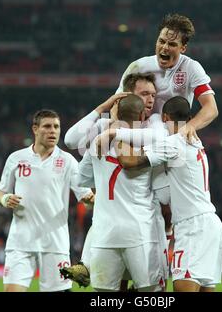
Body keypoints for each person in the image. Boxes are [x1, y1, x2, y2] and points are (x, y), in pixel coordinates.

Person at [62, 73, 171, 290]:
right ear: (125, 96)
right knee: (148, 290)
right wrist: (105, 110)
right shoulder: (121, 130)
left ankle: (85, 262)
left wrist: (113, 131)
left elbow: (81, 177)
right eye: (144, 94)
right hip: (140, 231)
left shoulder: (154, 122)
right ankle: (85, 263)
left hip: (120, 230)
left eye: (153, 95)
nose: (150, 100)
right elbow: (70, 140)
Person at [116, 96, 222, 292]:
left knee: (182, 287)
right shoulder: (194, 141)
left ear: (165, 117)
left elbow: (129, 162)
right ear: (189, 117)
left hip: (193, 226)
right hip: (210, 224)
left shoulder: (174, 143)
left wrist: (116, 135)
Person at [0, 109, 94, 292]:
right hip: (20, 242)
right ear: (35, 129)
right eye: (47, 126)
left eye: (56, 127)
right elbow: (0, 193)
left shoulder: (68, 161)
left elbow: (85, 196)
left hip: (55, 244)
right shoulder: (16, 158)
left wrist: (92, 200)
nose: (53, 131)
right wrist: (5, 199)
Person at [116, 13, 218, 142]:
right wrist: (114, 126)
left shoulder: (191, 68)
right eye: (161, 41)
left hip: (175, 138)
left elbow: (211, 108)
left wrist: (190, 127)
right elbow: (117, 101)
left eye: (172, 44)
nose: (164, 47)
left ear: (183, 48)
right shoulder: (138, 66)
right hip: (139, 136)